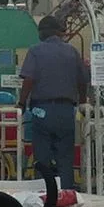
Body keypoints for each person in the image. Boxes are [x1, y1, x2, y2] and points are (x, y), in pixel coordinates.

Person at [18, 15, 89, 190]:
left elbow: (29, 79)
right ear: (59, 32)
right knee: (65, 157)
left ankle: (44, 193)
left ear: (42, 33)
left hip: (41, 110)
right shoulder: (72, 52)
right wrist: (82, 102)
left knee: (42, 157)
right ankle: (66, 194)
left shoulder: (35, 51)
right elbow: (82, 80)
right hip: (66, 111)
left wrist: (21, 103)